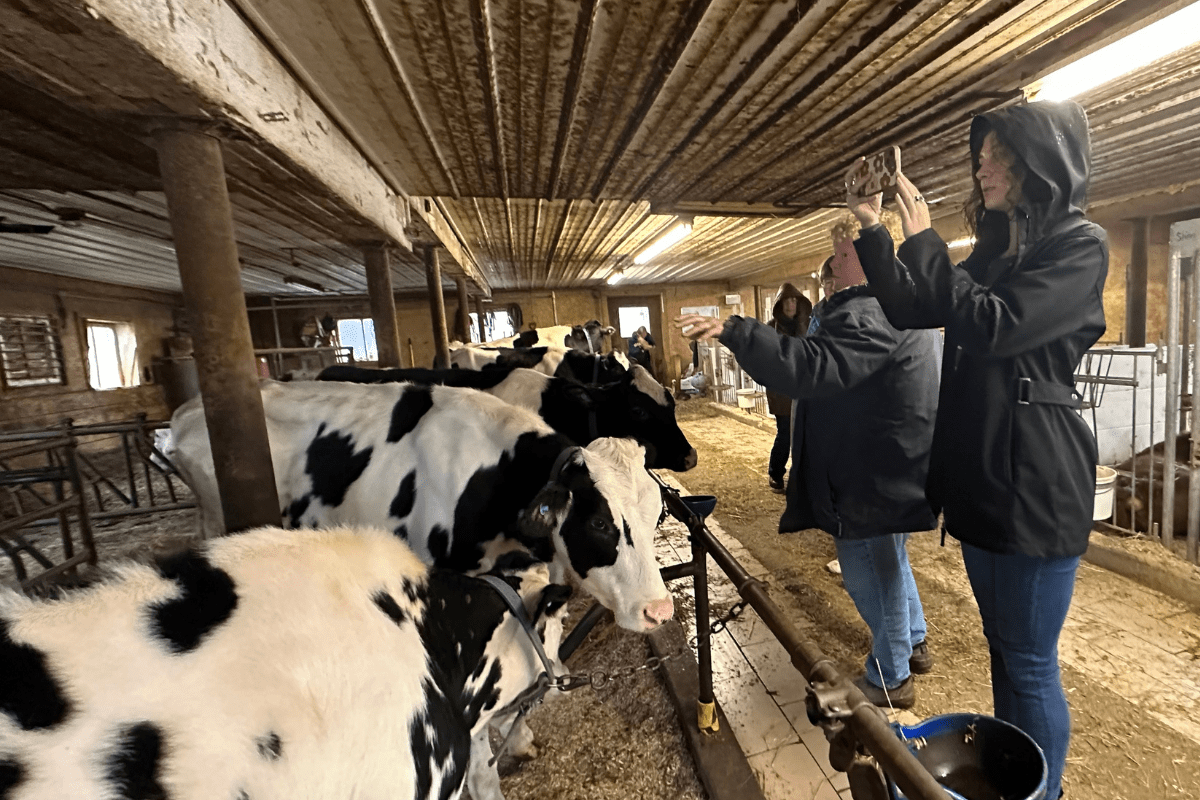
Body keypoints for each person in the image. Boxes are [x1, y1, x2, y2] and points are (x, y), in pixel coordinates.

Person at [847, 100, 1107, 799]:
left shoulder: (1080, 246)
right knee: (1005, 649)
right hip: (988, 476)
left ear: (1036, 165)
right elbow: (912, 307)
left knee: (1027, 661)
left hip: (1035, 481)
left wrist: (927, 238)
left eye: (997, 155)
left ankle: (1041, 792)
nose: (983, 166)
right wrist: (877, 229)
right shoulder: (1000, 251)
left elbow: (994, 326)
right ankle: (1013, 778)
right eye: (983, 154)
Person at [675, 215, 940, 709]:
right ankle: (915, 640)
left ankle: (892, 674)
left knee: (867, 565)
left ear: (866, 257)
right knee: (890, 556)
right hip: (893, 460)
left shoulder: (871, 311)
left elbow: (808, 367)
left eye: (840, 256)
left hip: (869, 470)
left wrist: (735, 330)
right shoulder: (896, 302)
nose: (829, 267)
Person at [765, 284, 813, 493]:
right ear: (780, 304)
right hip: (782, 390)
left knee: (806, 434)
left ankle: (803, 477)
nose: (791, 304)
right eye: (787, 300)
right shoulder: (770, 328)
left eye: (794, 300)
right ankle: (776, 472)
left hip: (805, 388)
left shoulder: (808, 325)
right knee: (785, 433)